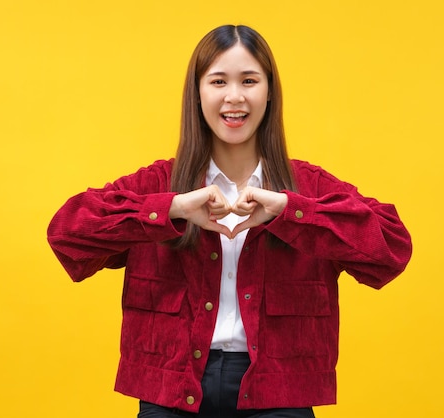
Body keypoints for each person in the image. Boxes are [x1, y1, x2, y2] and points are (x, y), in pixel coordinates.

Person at [47, 24, 412, 418]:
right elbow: (67, 234)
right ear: (198, 93)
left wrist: (292, 213)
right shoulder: (158, 184)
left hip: (279, 391)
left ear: (269, 92)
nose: (234, 97)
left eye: (249, 80)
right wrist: (172, 209)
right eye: (218, 81)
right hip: (171, 389)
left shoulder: (309, 187)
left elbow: (392, 248)